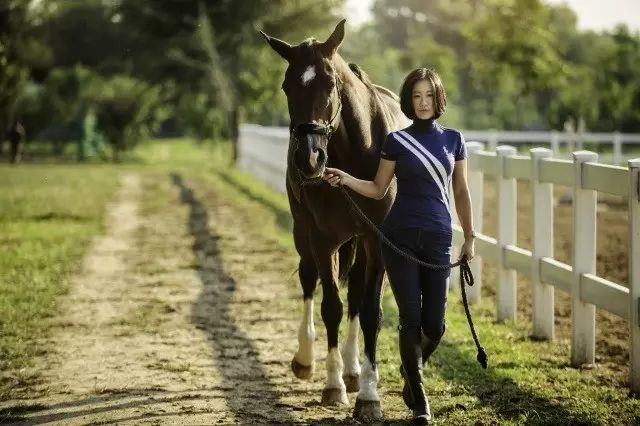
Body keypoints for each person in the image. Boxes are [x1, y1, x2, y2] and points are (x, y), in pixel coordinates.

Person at [323, 68, 475, 425]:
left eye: (429, 96)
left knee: (435, 326)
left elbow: (461, 191)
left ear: (439, 99)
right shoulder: (396, 141)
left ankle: (411, 372)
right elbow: (378, 189)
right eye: (417, 96)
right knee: (410, 320)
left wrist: (469, 236)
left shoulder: (454, 140)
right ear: (409, 100)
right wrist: (345, 178)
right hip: (399, 235)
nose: (423, 103)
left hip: (439, 237)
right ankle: (420, 402)